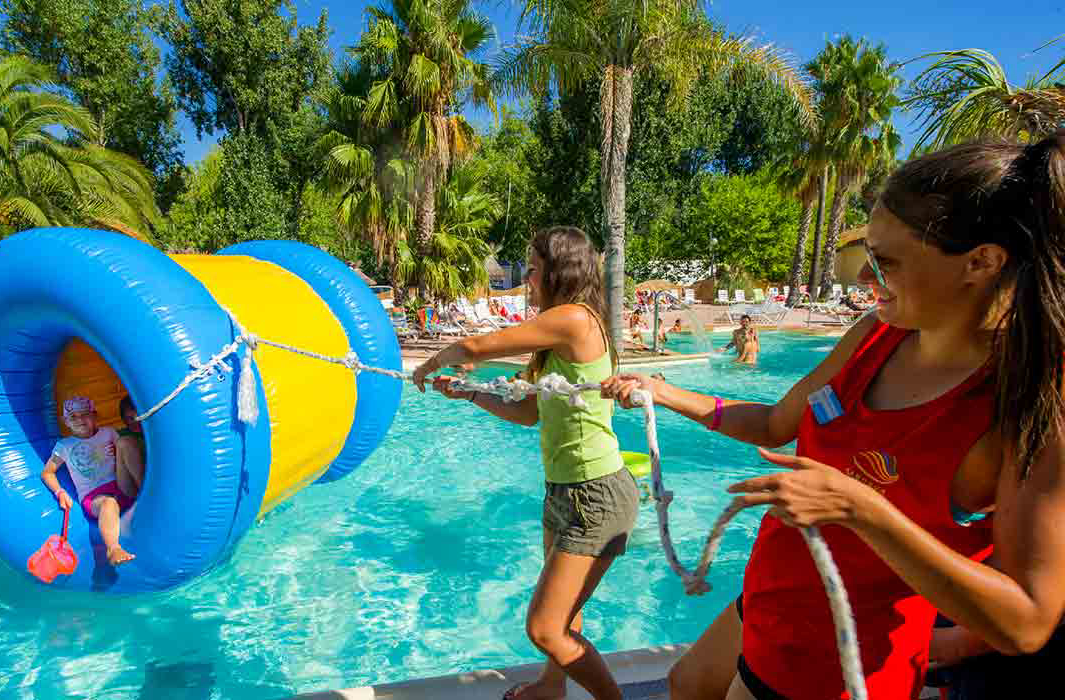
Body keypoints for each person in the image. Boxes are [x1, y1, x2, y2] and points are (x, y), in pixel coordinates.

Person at [600, 133, 1065, 700]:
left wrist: (859, 507)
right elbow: (776, 424)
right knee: (686, 682)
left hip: (834, 660)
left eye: (885, 262)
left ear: (980, 262)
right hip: (773, 601)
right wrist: (666, 393)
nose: (864, 279)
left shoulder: (1022, 403)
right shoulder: (875, 336)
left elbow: (1027, 621)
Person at [411, 225, 638, 700]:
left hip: (597, 494)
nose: (527, 281)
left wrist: (431, 363)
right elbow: (527, 413)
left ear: (559, 272)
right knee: (565, 611)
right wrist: (470, 393)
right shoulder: (555, 337)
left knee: (544, 627)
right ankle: (553, 687)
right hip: (564, 491)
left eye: (533, 270)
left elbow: (476, 346)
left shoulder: (576, 319)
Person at [41, 396, 138, 566]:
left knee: (125, 441)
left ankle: (149, 491)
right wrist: (60, 492)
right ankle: (113, 548)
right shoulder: (65, 446)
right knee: (109, 504)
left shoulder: (108, 433)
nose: (79, 420)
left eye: (84, 414)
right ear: (65, 421)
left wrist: (117, 449)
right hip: (94, 497)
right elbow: (48, 472)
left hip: (120, 486)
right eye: (73, 417)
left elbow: (126, 453)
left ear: (95, 415)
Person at [116, 396, 146, 499]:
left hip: (157, 479)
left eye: (139, 417)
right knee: (125, 443)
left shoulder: (152, 432)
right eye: (130, 418)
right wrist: (62, 491)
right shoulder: (119, 434)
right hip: (131, 486)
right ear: (124, 420)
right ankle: (147, 494)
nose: (135, 422)